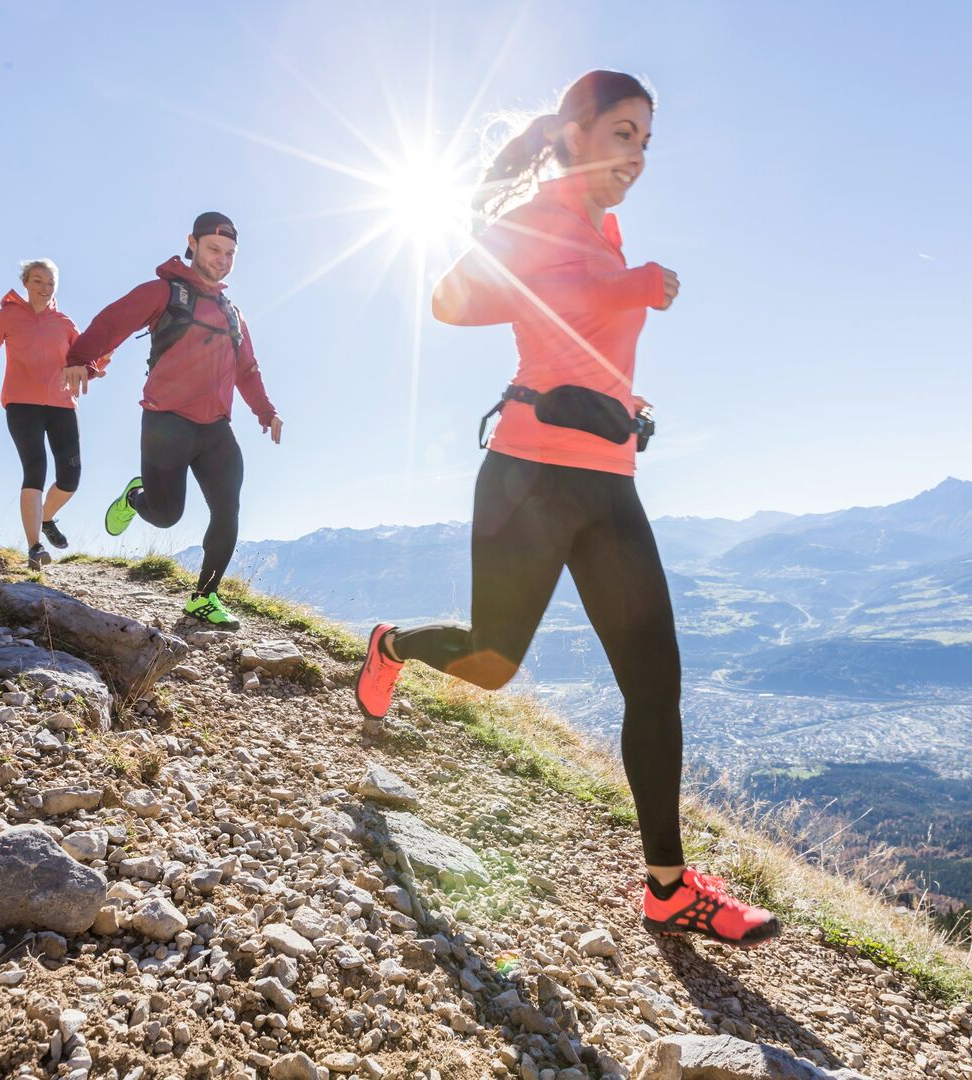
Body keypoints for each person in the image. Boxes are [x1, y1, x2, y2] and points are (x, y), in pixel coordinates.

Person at [352, 71, 779, 947]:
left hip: (609, 479)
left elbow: (575, 341)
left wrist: (623, 390)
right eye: (624, 134)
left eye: (648, 142)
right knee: (491, 660)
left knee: (655, 683)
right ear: (579, 134)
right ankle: (389, 645)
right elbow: (451, 301)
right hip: (529, 477)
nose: (637, 157)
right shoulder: (539, 218)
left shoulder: (607, 230)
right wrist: (620, 292)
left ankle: (667, 887)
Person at [63, 212, 282, 632]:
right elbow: (114, 320)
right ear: (193, 243)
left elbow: (247, 369)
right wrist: (80, 359)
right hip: (166, 422)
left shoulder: (232, 313)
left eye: (230, 253)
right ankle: (135, 498)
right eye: (214, 249)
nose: (222, 259)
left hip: (215, 429)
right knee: (166, 516)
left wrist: (266, 412)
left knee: (227, 509)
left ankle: (204, 596)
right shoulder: (165, 292)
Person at [0, 258, 108, 569]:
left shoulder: (64, 322)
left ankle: (47, 517)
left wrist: (96, 367)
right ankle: (35, 547)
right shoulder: (6, 317)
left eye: (50, 283)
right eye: (38, 281)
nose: (44, 288)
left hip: (62, 405)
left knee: (70, 477)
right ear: (26, 283)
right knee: (35, 470)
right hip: (22, 404)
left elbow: (86, 357)